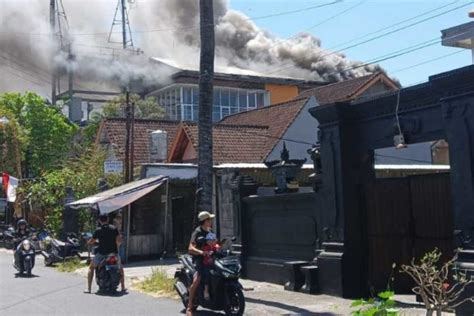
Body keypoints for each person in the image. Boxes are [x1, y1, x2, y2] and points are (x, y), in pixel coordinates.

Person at [84, 213, 126, 294]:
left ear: (99, 220)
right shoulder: (114, 229)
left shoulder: (98, 230)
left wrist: (89, 242)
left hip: (101, 254)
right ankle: (123, 287)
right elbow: (119, 240)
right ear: (108, 219)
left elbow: (92, 241)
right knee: (120, 268)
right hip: (113, 253)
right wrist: (117, 246)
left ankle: (89, 288)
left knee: (91, 267)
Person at [186, 211, 215, 316]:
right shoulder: (197, 232)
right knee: (197, 279)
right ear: (205, 221)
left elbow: (214, 243)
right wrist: (201, 252)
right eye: (209, 219)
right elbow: (190, 248)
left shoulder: (210, 231)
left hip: (210, 257)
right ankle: (189, 307)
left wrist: (219, 246)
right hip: (199, 259)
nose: (211, 221)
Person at [202, 232, 220, 300]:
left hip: (215, 264)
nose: (211, 241)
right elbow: (206, 253)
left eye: (213, 240)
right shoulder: (206, 247)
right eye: (209, 240)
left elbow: (218, 249)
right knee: (207, 275)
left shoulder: (215, 246)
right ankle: (206, 291)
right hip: (207, 264)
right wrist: (209, 253)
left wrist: (219, 249)